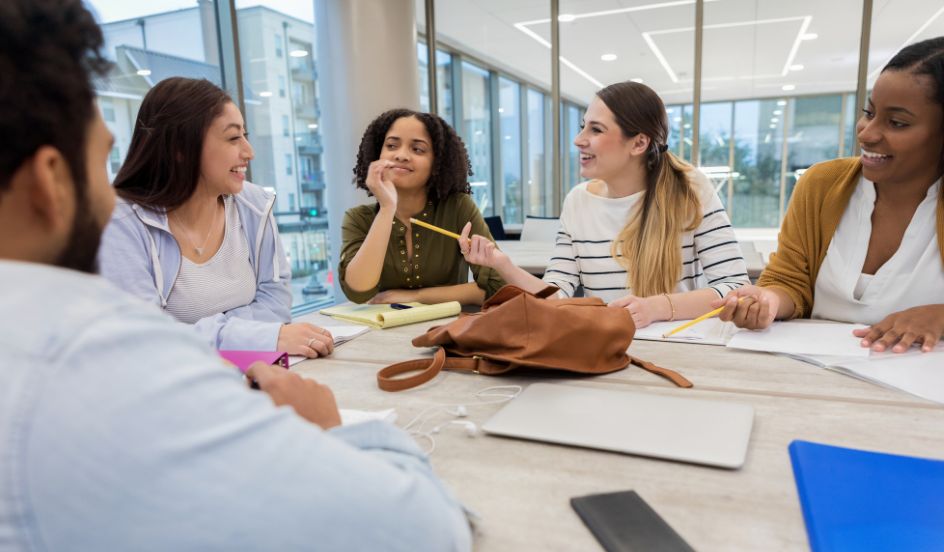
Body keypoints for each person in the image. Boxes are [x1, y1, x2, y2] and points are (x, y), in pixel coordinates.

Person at [0, 1, 471, 549]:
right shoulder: (104, 361)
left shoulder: (250, 210)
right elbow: (425, 531)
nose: (111, 200)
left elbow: (274, 297)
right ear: (49, 182)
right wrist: (332, 428)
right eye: (99, 165)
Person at [716, 37, 944, 354]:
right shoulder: (822, 184)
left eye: (897, 123)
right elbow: (789, 281)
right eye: (869, 112)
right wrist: (767, 300)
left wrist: (940, 317)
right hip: (812, 377)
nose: (867, 132)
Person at [460, 81, 749, 328]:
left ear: (638, 144)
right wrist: (502, 264)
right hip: (607, 351)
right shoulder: (578, 201)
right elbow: (555, 296)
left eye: (596, 130)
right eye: (583, 127)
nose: (578, 140)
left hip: (680, 348)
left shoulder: (691, 190)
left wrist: (656, 308)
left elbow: (736, 288)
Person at [98, 77, 334, 358]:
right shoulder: (121, 224)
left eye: (244, 135)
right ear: (181, 149)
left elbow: (276, 302)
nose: (249, 152)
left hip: (251, 370)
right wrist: (253, 335)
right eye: (234, 138)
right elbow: (147, 339)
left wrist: (201, 332)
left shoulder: (253, 204)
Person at [340, 108, 505, 305]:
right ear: (377, 153)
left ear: (437, 162)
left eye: (417, 149)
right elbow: (358, 292)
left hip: (447, 330)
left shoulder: (458, 207)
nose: (401, 155)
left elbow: (498, 287)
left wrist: (415, 297)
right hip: (380, 334)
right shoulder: (358, 218)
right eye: (392, 146)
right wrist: (386, 209)